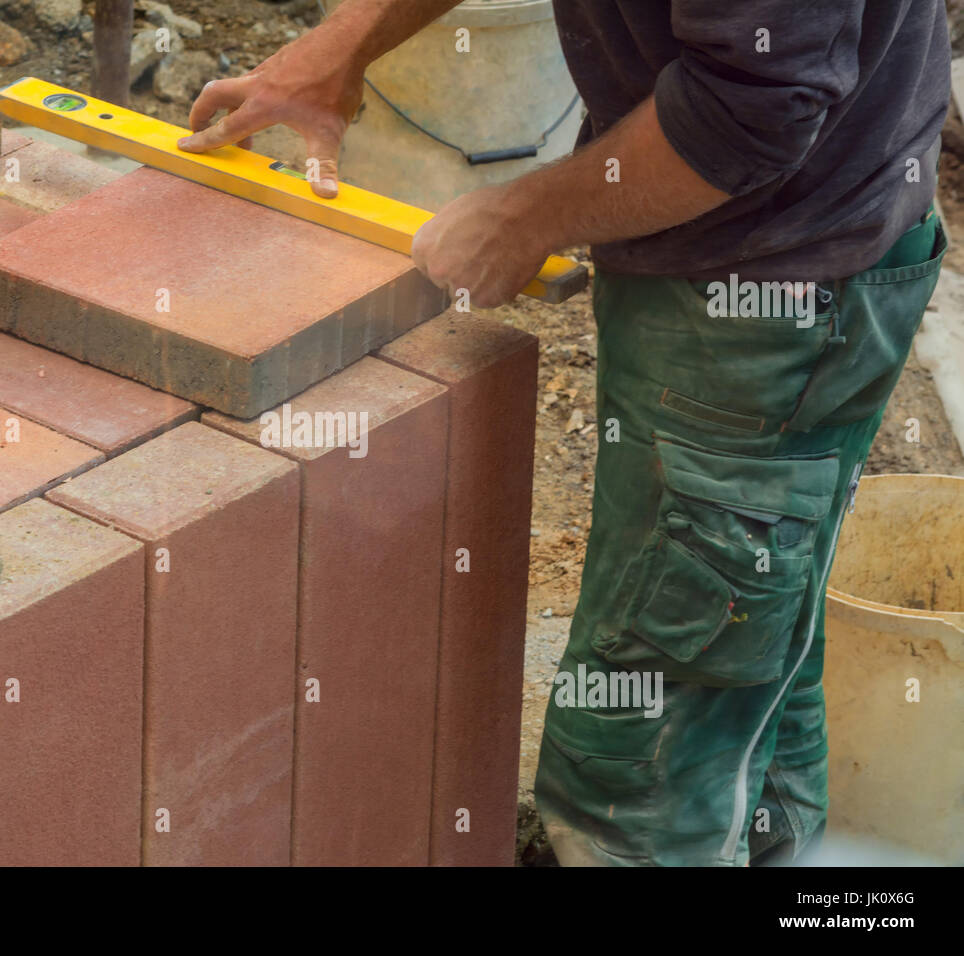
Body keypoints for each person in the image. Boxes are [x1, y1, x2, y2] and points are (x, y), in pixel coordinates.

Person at [181, 0, 950, 866]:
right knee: (747, 642)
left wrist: (526, 216)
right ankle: (769, 843)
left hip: (783, 270)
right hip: (766, 236)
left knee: (638, 763)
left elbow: (753, 108)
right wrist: (336, 51)